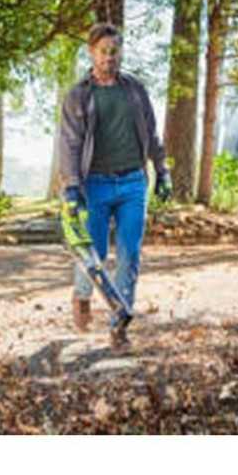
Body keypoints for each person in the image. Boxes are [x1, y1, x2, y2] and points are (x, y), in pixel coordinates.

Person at [59, 22, 172, 352]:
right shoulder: (79, 95)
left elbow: (151, 133)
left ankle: (119, 323)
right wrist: (71, 187)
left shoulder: (134, 89)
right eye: (103, 51)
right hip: (94, 184)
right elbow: (70, 144)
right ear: (92, 53)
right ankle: (82, 296)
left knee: (129, 254)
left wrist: (162, 171)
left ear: (120, 53)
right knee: (92, 254)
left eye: (114, 51)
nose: (109, 57)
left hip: (132, 182)